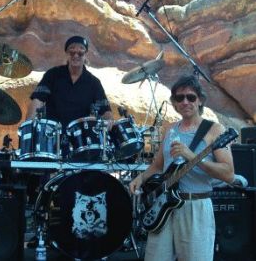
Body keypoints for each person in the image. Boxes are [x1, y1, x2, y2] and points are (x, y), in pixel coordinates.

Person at [129, 74, 234, 261]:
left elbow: (228, 173)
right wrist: (141, 178)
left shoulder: (215, 130)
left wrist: (192, 157)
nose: (185, 102)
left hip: (195, 207)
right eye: (179, 98)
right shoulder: (170, 129)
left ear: (200, 100)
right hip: (163, 208)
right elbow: (157, 166)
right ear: (174, 103)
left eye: (191, 97)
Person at [26, 35, 113, 157]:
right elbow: (38, 100)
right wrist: (29, 126)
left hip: (80, 141)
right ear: (66, 53)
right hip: (51, 137)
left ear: (86, 54)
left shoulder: (93, 82)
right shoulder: (53, 74)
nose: (76, 55)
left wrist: (108, 121)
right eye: (72, 50)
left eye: (80, 51)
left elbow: (106, 111)